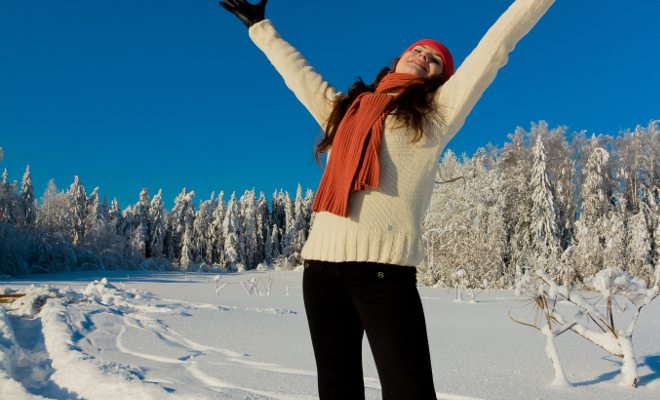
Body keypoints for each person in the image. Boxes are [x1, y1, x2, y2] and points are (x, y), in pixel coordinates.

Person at [219, 0, 555, 399]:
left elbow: (497, 45)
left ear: (439, 79)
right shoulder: (346, 112)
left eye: (434, 60)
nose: (424, 56)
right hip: (321, 272)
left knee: (408, 390)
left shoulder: (437, 115)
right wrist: (260, 28)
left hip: (384, 274)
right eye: (418, 50)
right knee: (336, 388)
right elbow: (299, 75)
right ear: (397, 61)